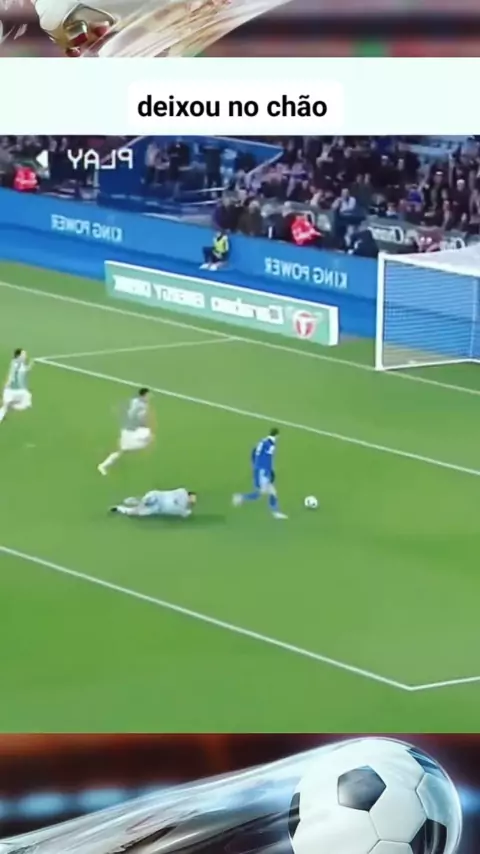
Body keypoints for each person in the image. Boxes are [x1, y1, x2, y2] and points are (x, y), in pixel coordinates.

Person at [232, 428, 287, 519]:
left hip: (259, 469)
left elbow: (254, 452)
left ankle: (275, 512)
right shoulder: (271, 445)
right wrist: (270, 471)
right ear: (277, 435)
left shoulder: (262, 441)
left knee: (273, 492)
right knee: (260, 493)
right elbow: (268, 459)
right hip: (263, 471)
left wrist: (255, 464)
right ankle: (240, 497)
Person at [97, 387, 153, 475]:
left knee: (147, 437)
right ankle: (103, 465)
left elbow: (125, 407)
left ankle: (109, 457)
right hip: (130, 430)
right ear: (144, 395)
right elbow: (137, 415)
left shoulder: (137, 402)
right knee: (122, 450)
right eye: (148, 395)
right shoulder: (141, 405)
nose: (149, 397)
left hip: (135, 428)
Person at [111, 488, 197, 517]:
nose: (193, 500)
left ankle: (119, 508)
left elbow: (182, 511)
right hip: (156, 497)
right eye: (193, 497)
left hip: (157, 507)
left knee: (136, 512)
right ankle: (133, 501)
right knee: (143, 502)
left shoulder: (184, 509)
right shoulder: (182, 493)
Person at [0, 348, 32, 424]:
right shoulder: (15, 363)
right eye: (23, 354)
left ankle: (8, 405)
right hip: (12, 390)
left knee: (26, 402)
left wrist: (29, 367)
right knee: (7, 406)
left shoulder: (20, 363)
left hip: (17, 390)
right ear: (18, 356)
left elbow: (23, 370)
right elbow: (12, 375)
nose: (25, 356)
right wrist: (7, 384)